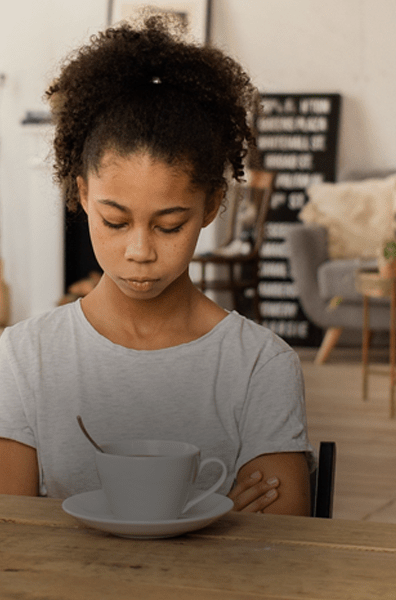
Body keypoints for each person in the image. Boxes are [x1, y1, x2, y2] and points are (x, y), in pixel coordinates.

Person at [0, 14, 313, 516]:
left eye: (169, 225)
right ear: (81, 194)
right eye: (115, 221)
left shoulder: (260, 365)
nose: (140, 251)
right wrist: (212, 514)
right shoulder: (23, 357)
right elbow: (12, 538)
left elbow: (277, 548)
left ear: (212, 205)